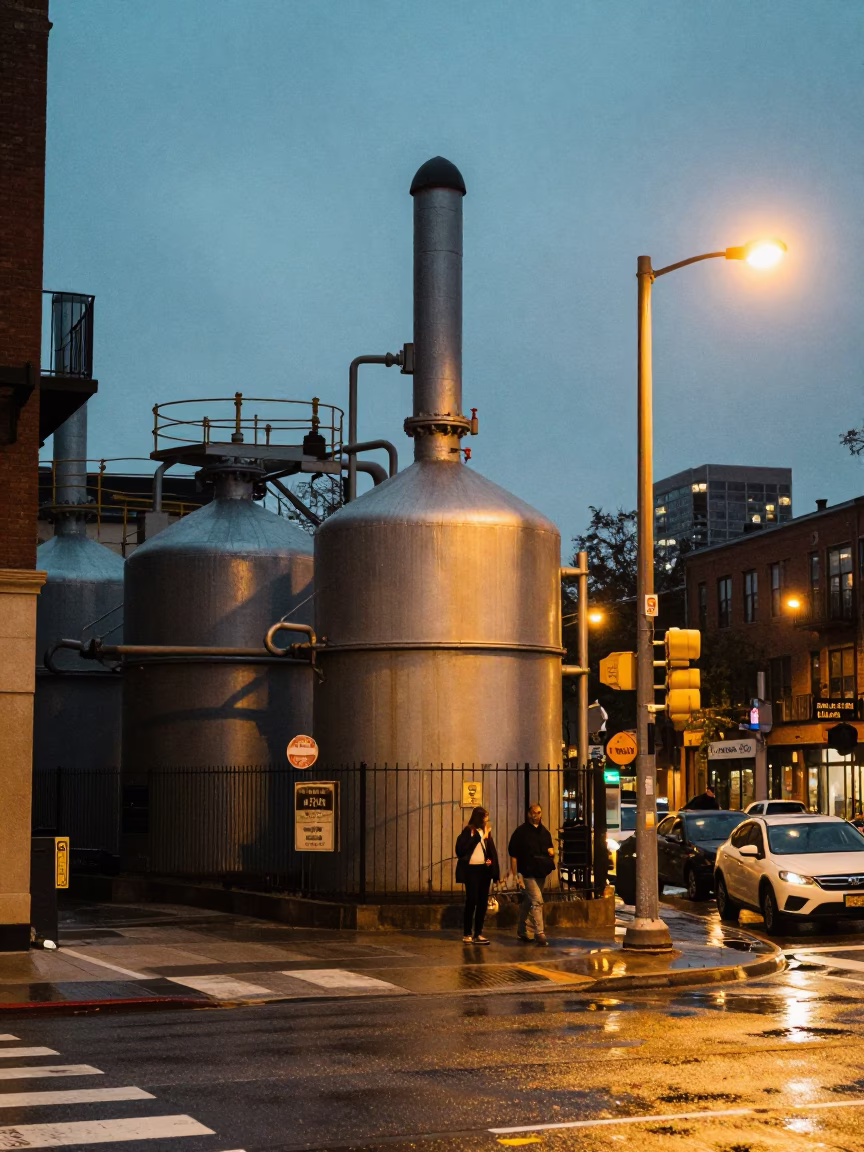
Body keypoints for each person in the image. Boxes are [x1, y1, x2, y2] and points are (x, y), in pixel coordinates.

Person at [508, 803, 555, 947]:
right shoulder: (521, 832)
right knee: (537, 900)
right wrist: (516, 874)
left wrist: (551, 852)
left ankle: (522, 929)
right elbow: (513, 854)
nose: (536, 815)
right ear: (529, 814)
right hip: (527, 872)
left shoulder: (545, 832)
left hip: (541, 871)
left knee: (529, 901)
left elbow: (550, 848)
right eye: (533, 812)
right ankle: (539, 932)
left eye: (538, 812)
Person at [455, 806, 500, 945]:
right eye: (485, 818)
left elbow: (491, 852)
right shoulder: (469, 831)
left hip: (484, 870)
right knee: (472, 899)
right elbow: (461, 850)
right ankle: (467, 933)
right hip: (471, 871)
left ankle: (478, 933)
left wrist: (494, 871)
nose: (487, 820)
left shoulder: (486, 832)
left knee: (482, 901)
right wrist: (480, 837)